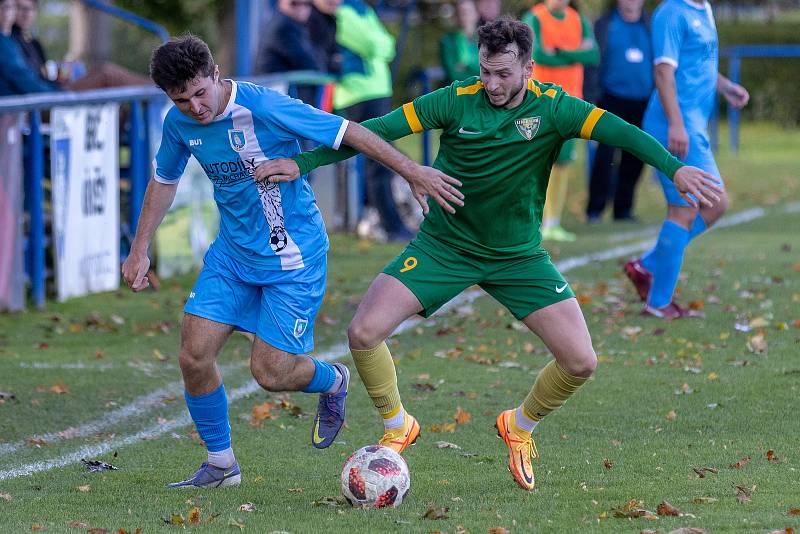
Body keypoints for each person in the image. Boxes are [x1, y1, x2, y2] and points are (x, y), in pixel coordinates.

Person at [256, 17, 721, 491]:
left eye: (503, 74)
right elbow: (376, 130)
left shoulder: (555, 108)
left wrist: (675, 168)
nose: (493, 84)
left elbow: (622, 132)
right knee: (362, 331)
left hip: (517, 257)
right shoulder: (454, 101)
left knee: (581, 362)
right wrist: (304, 162)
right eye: (485, 72)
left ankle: (519, 426)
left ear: (528, 68)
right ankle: (398, 425)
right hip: (444, 247)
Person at [121, 35, 462, 489]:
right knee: (193, 355)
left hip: (292, 260)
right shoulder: (178, 123)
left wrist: (413, 171)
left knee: (271, 373)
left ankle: (333, 379)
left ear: (216, 74)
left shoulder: (264, 106)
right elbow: (164, 181)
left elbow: (350, 133)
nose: (196, 107)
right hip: (232, 256)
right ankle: (221, 465)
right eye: (181, 100)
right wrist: (139, 248)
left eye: (201, 93)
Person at [624, 0, 749, 319]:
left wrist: (725, 86)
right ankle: (659, 303)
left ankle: (647, 266)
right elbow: (663, 72)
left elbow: (698, 60)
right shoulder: (671, 12)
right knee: (686, 207)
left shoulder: (704, 8)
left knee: (714, 203)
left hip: (692, 121)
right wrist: (676, 123)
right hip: (673, 121)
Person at [334, 0, 415, 242]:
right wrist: (379, 45)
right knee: (378, 161)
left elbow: (385, 45)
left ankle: (387, 220)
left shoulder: (361, 9)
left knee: (383, 158)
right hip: (358, 94)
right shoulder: (344, 11)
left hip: (377, 92)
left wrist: (379, 45)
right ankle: (391, 226)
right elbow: (374, 44)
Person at [522, 0, 599, 242]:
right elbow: (539, 56)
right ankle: (531, 220)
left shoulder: (578, 19)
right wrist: (575, 54)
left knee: (563, 162)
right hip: (540, 100)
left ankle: (553, 222)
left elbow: (593, 54)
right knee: (536, 162)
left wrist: (562, 52)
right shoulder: (534, 18)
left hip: (571, 101)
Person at [584, 0, 652, 223]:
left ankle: (623, 210)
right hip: (610, 99)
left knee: (636, 157)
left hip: (643, 101)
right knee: (604, 157)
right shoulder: (604, 24)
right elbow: (592, 63)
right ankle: (595, 209)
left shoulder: (650, 24)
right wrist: (592, 98)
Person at [0, 0, 57, 96]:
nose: (7, 12)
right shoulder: (6, 42)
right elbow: (21, 77)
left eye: (11, 7)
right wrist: (58, 93)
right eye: (5, 7)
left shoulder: (12, 41)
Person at [440, 0, 481, 83]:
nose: (464, 16)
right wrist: (479, 68)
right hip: (455, 92)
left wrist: (467, 65)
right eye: (460, 12)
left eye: (468, 11)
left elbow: (491, 70)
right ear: (456, 16)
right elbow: (454, 75)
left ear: (477, 14)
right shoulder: (447, 41)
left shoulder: (484, 40)